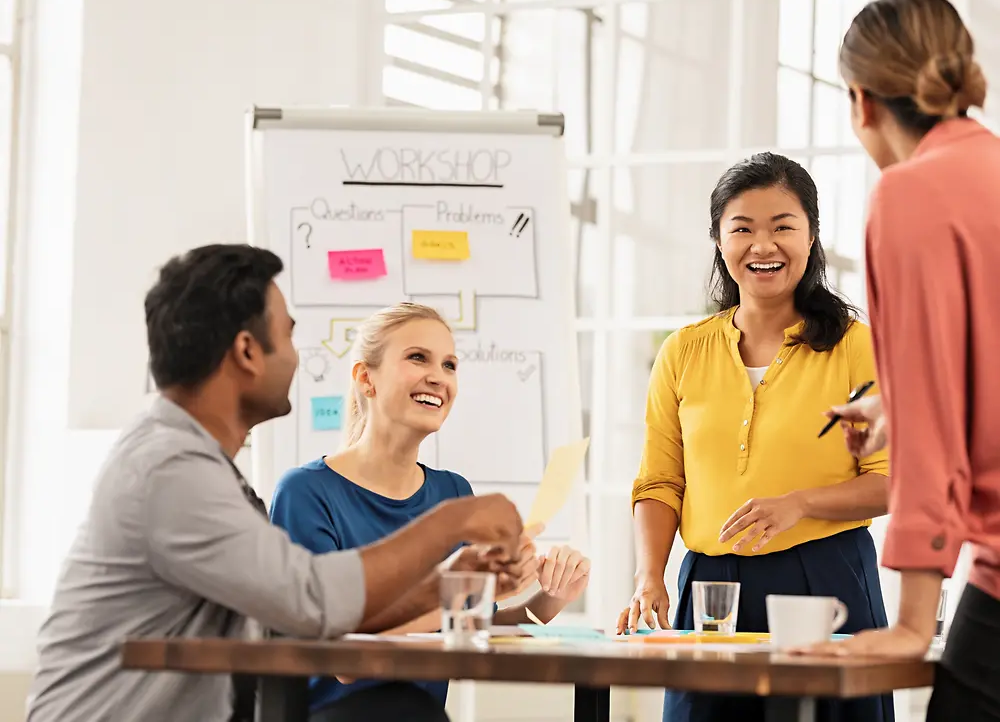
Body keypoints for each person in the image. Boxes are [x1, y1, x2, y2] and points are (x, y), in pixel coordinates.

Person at [25, 245, 525, 722]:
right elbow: (315, 604)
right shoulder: (170, 469)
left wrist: (453, 581)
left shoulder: (198, 466)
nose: (295, 357)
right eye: (286, 336)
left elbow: (316, 612)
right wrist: (451, 525)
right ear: (247, 351)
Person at [618, 153, 894, 722]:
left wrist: (801, 504)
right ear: (719, 239)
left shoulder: (855, 347)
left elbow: (893, 481)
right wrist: (650, 575)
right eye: (742, 228)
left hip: (826, 578)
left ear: (812, 236)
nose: (762, 246)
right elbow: (661, 480)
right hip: (711, 587)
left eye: (782, 227)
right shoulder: (683, 351)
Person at [790, 0, 1000, 722]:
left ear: (861, 100)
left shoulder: (911, 193)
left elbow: (939, 419)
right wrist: (893, 403)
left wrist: (912, 620)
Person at [270, 302, 592, 722]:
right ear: (366, 378)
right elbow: (344, 660)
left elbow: (471, 630)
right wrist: (460, 591)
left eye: (450, 364)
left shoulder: (453, 493)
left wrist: (548, 601)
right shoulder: (305, 492)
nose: (438, 377)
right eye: (417, 357)